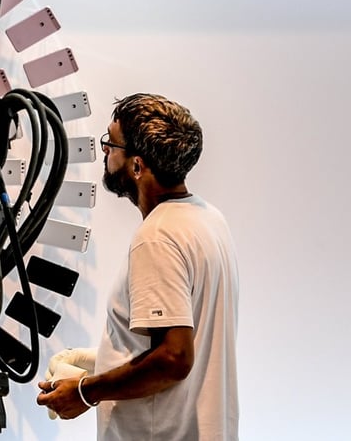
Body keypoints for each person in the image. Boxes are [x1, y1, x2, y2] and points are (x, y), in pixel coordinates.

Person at [36, 93, 239, 440]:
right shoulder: (208, 219)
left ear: (136, 166)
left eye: (111, 144)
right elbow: (182, 341)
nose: (105, 152)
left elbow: (173, 359)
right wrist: (100, 360)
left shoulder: (157, 238)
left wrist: (86, 392)